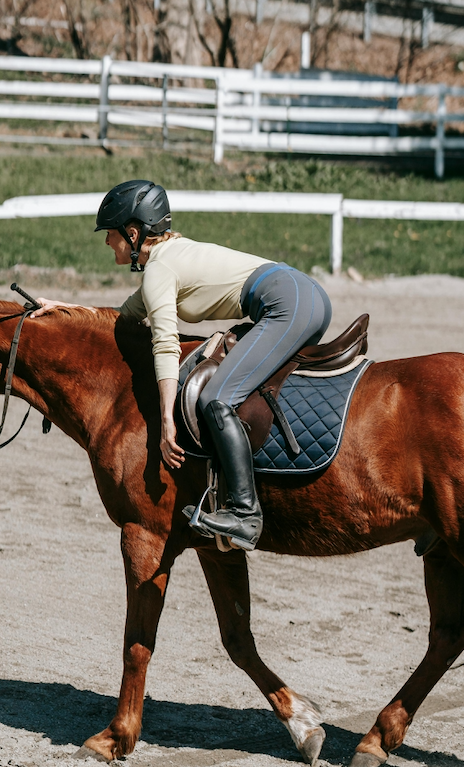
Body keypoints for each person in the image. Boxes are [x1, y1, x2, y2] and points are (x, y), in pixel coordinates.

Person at [29, 179, 332, 551]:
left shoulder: (159, 270)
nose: (107, 241)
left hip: (288, 304)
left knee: (218, 399)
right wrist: (64, 310)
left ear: (133, 233)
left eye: (110, 233)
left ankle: (244, 514)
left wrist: (167, 418)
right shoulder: (170, 256)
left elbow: (166, 344)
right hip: (303, 294)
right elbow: (122, 318)